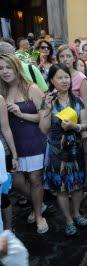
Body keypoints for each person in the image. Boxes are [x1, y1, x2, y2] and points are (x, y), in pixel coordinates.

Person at [39, 64, 87, 236]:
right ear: (52, 80)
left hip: (75, 149)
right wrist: (46, 109)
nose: (64, 81)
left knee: (77, 185)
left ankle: (76, 213)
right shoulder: (47, 101)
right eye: (59, 78)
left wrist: (74, 126)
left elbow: (85, 125)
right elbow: (44, 129)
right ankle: (68, 219)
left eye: (66, 77)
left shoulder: (78, 101)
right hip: (55, 151)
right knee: (60, 188)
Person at [0, 53, 48, 234]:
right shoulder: (2, 91)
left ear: (16, 68)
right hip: (12, 142)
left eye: (8, 67)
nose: (4, 71)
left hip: (33, 139)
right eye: (1, 68)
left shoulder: (32, 88)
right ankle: (39, 202)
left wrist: (21, 114)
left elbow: (43, 117)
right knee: (18, 182)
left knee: (35, 180)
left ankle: (38, 215)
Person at [57, 45, 87, 187]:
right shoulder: (57, 75)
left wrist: (80, 124)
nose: (65, 59)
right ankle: (69, 183)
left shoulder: (81, 78)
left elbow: (85, 104)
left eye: (68, 56)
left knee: (84, 154)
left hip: (80, 122)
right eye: (62, 56)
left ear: (74, 58)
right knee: (67, 154)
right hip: (63, 123)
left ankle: (84, 183)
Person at [0, 94, 18, 231]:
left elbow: (5, 128)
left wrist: (14, 155)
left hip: (1, 154)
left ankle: (8, 230)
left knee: (3, 195)